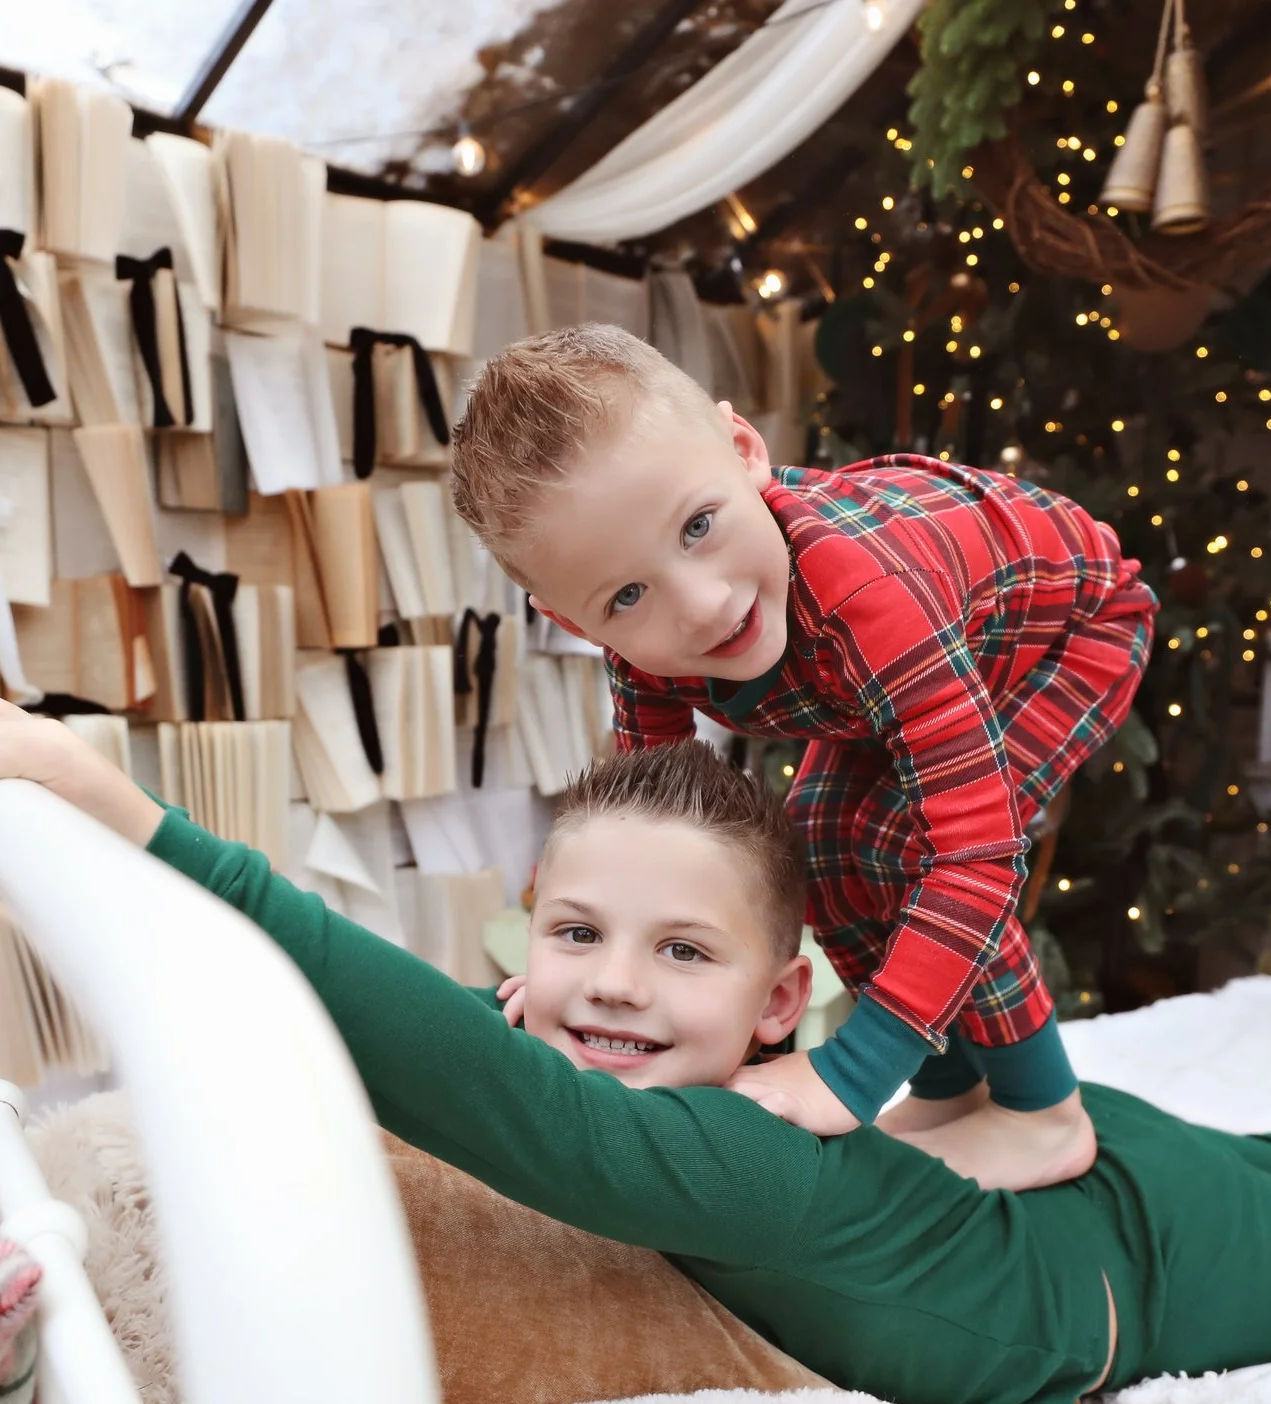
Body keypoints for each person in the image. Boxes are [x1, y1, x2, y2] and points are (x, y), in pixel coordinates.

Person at [0, 703, 1271, 1404]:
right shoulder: (712, 1074)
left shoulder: (725, 1152)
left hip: (1147, 1272)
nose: (602, 987)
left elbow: (443, 1062)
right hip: (1081, 1164)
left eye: (677, 950)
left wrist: (130, 813)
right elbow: (486, 1023)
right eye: (571, 933)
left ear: (778, 1002)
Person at [447, 324, 1159, 1193]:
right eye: (628, 595)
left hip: (1070, 632)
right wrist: (564, 982)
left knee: (906, 840)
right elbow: (658, 854)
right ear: (573, 621)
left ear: (744, 448)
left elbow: (978, 851)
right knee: (815, 838)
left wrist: (848, 1072)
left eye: (699, 526)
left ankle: (1043, 1111)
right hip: (906, 664)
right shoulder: (642, 651)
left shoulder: (869, 595)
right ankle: (947, 1085)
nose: (703, 606)